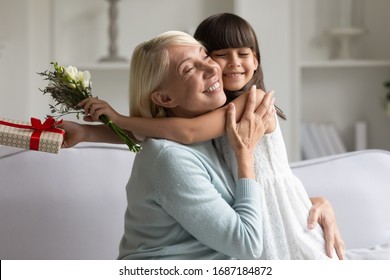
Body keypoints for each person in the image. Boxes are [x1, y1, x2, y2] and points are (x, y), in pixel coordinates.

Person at [61, 22, 344, 259]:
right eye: (218, 55)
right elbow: (171, 133)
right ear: (164, 98)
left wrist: (310, 202)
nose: (217, 68)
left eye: (205, 57)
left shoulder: (248, 105)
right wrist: (91, 131)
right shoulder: (173, 152)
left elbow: (174, 131)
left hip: (276, 213)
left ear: (256, 60)